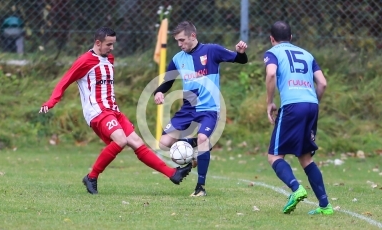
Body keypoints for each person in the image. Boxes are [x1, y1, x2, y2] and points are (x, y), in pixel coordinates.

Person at [39, 27, 192, 195]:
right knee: (120, 140)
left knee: (136, 142)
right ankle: (92, 177)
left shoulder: (109, 59)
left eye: (113, 44)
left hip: (113, 110)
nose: (111, 48)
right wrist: (51, 102)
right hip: (97, 111)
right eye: (108, 44)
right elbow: (65, 81)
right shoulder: (85, 61)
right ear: (98, 43)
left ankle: (172, 173)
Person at [153, 21, 248, 197]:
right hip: (188, 109)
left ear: (193, 36)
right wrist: (158, 92)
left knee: (203, 138)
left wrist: (241, 53)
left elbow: (240, 60)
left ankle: (200, 187)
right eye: (177, 41)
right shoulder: (177, 59)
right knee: (163, 143)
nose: (180, 44)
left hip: (209, 108)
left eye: (182, 40)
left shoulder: (212, 51)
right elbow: (167, 82)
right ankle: (196, 147)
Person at [263, 21, 333, 215]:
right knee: (305, 157)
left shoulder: (273, 52)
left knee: (274, 155)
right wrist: (311, 102)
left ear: (272, 39)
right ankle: (325, 205)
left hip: (292, 106)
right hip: (311, 105)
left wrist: (269, 102)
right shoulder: (307, 54)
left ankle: (296, 189)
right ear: (291, 38)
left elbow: (271, 74)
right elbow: (323, 84)